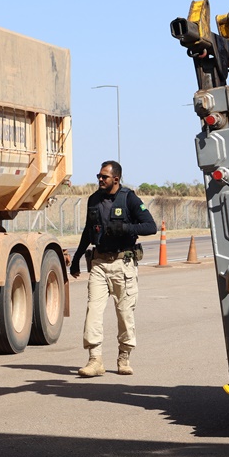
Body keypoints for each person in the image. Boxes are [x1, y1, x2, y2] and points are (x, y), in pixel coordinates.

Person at [70, 160, 156, 377]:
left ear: (115, 179)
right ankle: (94, 360)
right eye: (98, 176)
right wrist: (77, 257)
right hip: (98, 264)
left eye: (104, 177)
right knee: (93, 312)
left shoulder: (130, 199)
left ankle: (124, 356)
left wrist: (125, 227)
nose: (99, 179)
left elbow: (150, 226)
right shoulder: (93, 200)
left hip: (122, 265)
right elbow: (88, 231)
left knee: (125, 314)